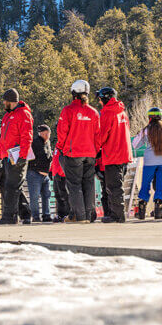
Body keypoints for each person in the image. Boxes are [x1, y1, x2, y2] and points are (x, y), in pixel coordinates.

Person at [56, 80, 101, 223]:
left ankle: (80, 217)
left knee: (74, 185)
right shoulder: (93, 112)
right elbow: (98, 135)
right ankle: (89, 215)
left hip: (73, 153)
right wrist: (96, 150)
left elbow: (62, 132)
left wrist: (61, 147)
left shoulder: (68, 110)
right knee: (88, 184)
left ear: (73, 93)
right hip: (90, 154)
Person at [131, 108, 162, 220]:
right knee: (161, 186)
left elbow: (135, 144)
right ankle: (159, 210)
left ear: (150, 118)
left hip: (149, 162)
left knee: (145, 185)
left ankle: (142, 208)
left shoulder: (146, 130)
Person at [0, 89, 35, 224]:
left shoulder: (24, 114)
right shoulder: (7, 116)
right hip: (9, 155)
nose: (3, 103)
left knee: (11, 185)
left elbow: (27, 136)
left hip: (18, 155)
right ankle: (26, 214)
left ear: (10, 101)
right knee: (14, 185)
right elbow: (3, 139)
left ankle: (10, 217)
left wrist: (23, 156)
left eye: (4, 101)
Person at [96, 87, 131, 223]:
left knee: (113, 187)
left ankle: (117, 215)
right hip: (124, 153)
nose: (99, 102)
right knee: (118, 185)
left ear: (105, 98)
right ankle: (118, 213)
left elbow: (102, 135)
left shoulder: (107, 113)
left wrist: (95, 149)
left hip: (112, 154)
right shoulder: (122, 112)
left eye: (100, 99)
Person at [27, 125, 53, 222]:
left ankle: (46, 215)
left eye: (48, 134)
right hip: (35, 172)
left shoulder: (47, 142)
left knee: (46, 195)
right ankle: (36, 216)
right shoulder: (36, 142)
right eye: (45, 134)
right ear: (40, 133)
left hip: (44, 174)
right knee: (34, 196)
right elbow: (44, 156)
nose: (47, 136)